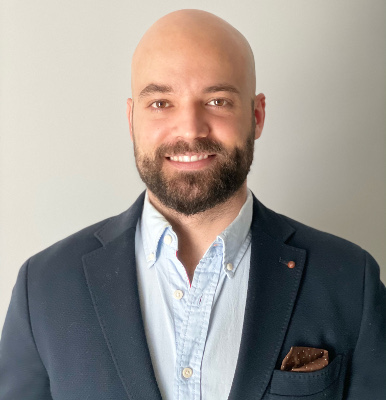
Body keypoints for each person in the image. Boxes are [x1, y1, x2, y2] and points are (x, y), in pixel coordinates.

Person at [0, 9, 385, 400]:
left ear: (257, 115)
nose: (190, 129)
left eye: (217, 100)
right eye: (161, 103)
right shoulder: (44, 288)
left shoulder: (351, 281)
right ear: (132, 119)